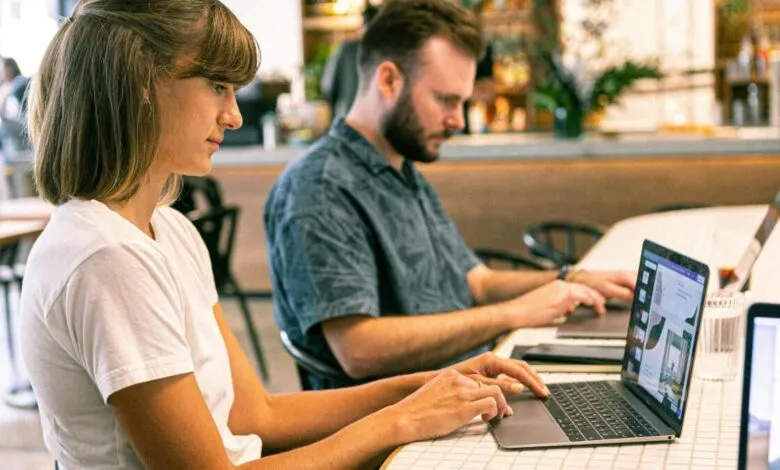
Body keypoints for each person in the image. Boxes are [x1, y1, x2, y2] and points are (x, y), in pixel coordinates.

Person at [20, 1, 549, 468]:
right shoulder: (105, 257)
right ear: (141, 85)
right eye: (217, 86)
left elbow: (259, 415)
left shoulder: (169, 229)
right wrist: (401, 421)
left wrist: (435, 383)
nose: (232, 115)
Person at [265, 0, 636, 390]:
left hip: (465, 384)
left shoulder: (402, 169)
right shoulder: (319, 188)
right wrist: (511, 314)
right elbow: (359, 350)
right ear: (389, 80)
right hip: (396, 424)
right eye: (446, 100)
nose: (458, 121)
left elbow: (475, 281)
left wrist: (572, 279)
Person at [319, 4, 379, 119]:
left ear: (361, 27)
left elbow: (327, 86)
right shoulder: (386, 50)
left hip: (346, 119)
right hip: (376, 124)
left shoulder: (346, 49)